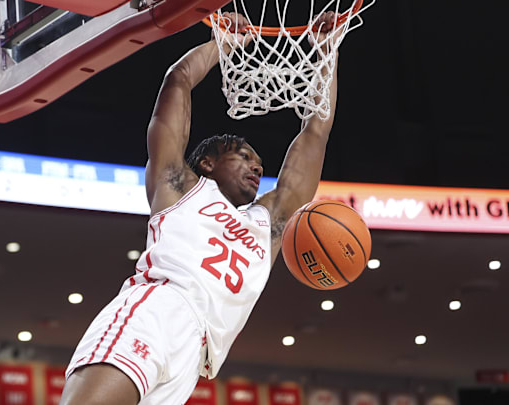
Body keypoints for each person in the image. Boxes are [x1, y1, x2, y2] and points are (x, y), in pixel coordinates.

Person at [59, 10, 340, 405]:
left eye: (259, 161)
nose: (257, 165)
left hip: (195, 356)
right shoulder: (180, 187)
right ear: (207, 163)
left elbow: (316, 132)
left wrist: (328, 56)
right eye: (243, 155)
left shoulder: (268, 224)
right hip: (157, 311)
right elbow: (178, 81)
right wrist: (220, 47)